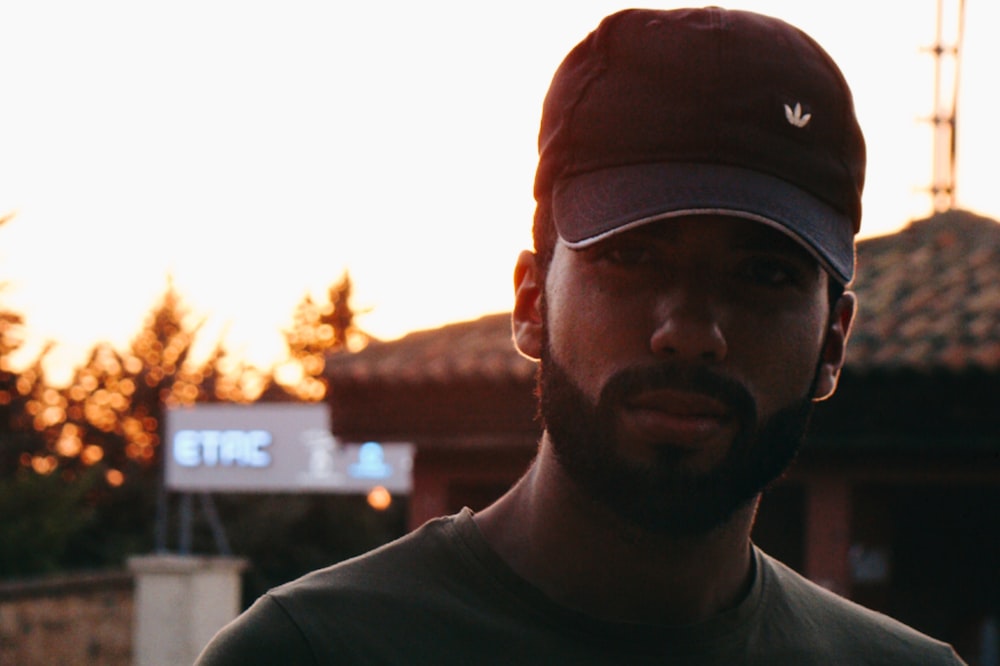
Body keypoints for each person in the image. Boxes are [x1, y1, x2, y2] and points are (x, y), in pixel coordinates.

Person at [197, 8, 966, 664]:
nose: (689, 332)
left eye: (762, 275)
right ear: (532, 302)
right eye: (631, 256)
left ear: (833, 341)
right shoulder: (311, 653)